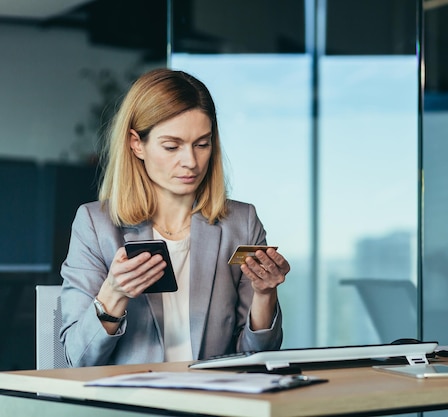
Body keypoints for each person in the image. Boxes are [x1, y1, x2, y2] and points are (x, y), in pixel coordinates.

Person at [60, 68, 289, 367]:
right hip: (134, 406)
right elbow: (77, 359)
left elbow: (257, 359)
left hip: (215, 401)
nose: (190, 162)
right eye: (172, 146)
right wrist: (113, 295)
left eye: (202, 144)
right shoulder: (95, 225)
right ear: (136, 144)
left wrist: (264, 294)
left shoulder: (241, 224)